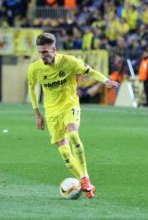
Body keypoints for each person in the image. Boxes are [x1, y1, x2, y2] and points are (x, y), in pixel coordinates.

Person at [27, 33, 120, 198]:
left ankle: (85, 178)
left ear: (54, 49)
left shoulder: (69, 62)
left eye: (46, 52)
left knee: (72, 133)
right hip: (51, 112)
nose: (43, 56)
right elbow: (32, 88)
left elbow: (90, 71)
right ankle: (87, 185)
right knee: (64, 152)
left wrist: (106, 81)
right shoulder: (35, 68)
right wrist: (36, 113)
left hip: (70, 105)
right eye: (40, 52)